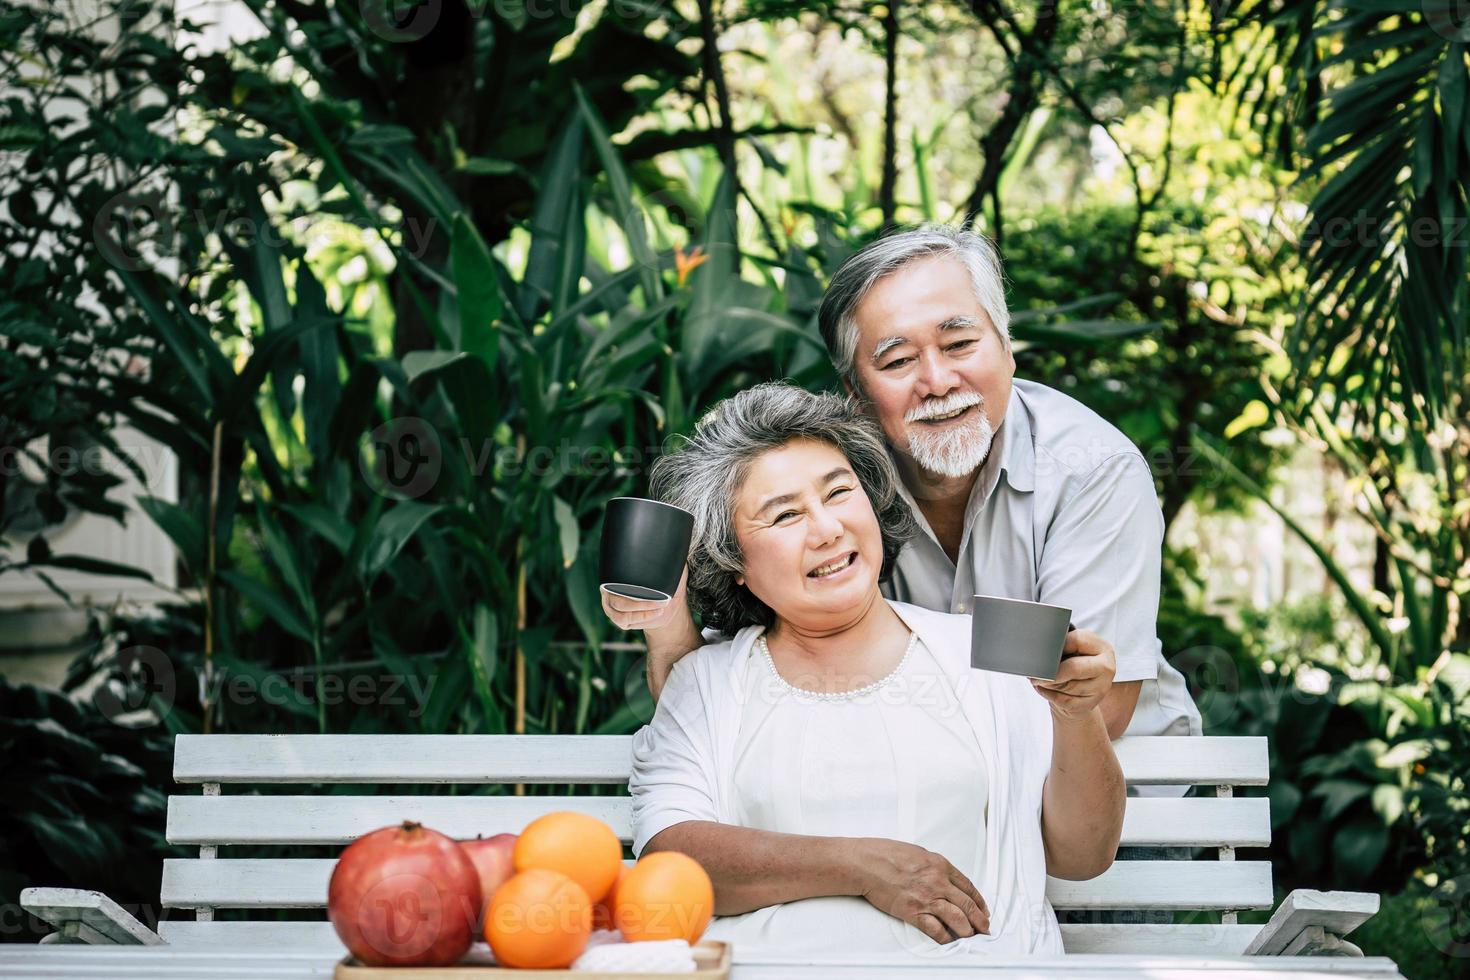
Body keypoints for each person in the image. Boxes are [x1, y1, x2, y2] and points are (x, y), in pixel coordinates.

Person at [607, 226, 1200, 787]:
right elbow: (716, 699)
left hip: (1116, 794)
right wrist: (665, 625)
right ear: (854, 393)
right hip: (915, 794)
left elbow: (1100, 707)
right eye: (896, 361)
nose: (938, 380)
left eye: (961, 343)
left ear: (1007, 347)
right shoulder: (830, 487)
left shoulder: (1092, 470)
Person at [627, 383, 1124, 959]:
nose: (827, 529)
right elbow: (673, 859)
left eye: (839, 493)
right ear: (733, 561)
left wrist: (1078, 715)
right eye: (785, 515)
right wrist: (862, 865)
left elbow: (1082, 857)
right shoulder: (707, 682)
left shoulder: (985, 651)